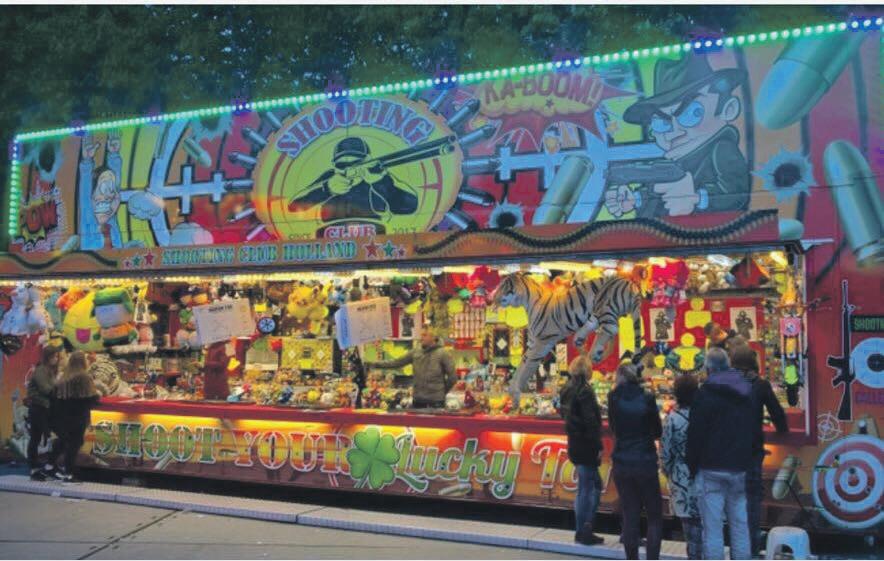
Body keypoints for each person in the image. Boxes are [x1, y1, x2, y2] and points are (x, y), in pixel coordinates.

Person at [605, 53, 750, 218]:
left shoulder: (721, 149)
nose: (675, 131)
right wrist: (635, 199)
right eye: (661, 122)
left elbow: (737, 193)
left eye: (693, 113)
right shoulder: (672, 163)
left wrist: (698, 197)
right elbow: (657, 192)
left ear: (729, 109)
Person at [687, 347, 753, 560]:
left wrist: (692, 466)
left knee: (713, 529)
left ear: (709, 369)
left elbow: (695, 434)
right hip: (739, 466)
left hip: (711, 467)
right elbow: (752, 429)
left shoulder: (703, 395)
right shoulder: (745, 391)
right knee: (740, 525)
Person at [731, 345, 789, 557]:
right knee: (752, 498)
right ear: (753, 363)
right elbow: (777, 414)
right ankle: (752, 546)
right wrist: (782, 430)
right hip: (752, 449)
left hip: (728, 451)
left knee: (733, 499)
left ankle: (737, 547)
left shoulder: (724, 385)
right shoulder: (760, 385)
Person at [608, 363, 663, 560]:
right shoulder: (647, 397)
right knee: (654, 517)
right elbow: (657, 431)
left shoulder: (613, 397)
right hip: (645, 460)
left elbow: (613, 427)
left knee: (630, 514)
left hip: (622, 460)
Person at [560, 355, 604, 546]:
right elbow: (590, 421)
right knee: (589, 487)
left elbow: (564, 414)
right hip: (586, 444)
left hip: (574, 442)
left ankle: (582, 529)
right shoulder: (585, 391)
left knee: (586, 487)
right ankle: (584, 529)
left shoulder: (566, 388)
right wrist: (598, 445)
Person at [661, 374, 702, 560]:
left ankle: (693, 556)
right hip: (703, 474)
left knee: (688, 526)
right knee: (705, 524)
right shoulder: (705, 416)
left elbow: (665, 451)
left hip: (680, 476)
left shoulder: (672, 419)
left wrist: (668, 470)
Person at [364, 330, 456, 409]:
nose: (421, 338)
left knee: (436, 425)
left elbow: (452, 378)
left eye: (425, 335)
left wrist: (441, 392)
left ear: (434, 337)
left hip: (436, 402)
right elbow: (396, 362)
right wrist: (373, 364)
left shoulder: (443, 354)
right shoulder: (415, 352)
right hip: (418, 400)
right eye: (421, 335)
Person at [48, 351, 100, 482]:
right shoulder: (84, 377)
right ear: (83, 362)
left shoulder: (64, 376)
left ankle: (50, 465)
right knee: (75, 443)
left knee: (64, 441)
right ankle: (69, 473)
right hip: (78, 414)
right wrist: (98, 395)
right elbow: (92, 398)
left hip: (62, 415)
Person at [26, 346, 62, 480]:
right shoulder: (41, 370)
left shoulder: (49, 370)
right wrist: (59, 385)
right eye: (54, 356)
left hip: (44, 408)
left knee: (38, 438)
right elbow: (46, 389)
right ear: (48, 357)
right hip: (38, 409)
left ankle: (45, 466)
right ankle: (35, 468)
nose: (56, 359)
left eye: (57, 356)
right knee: (37, 438)